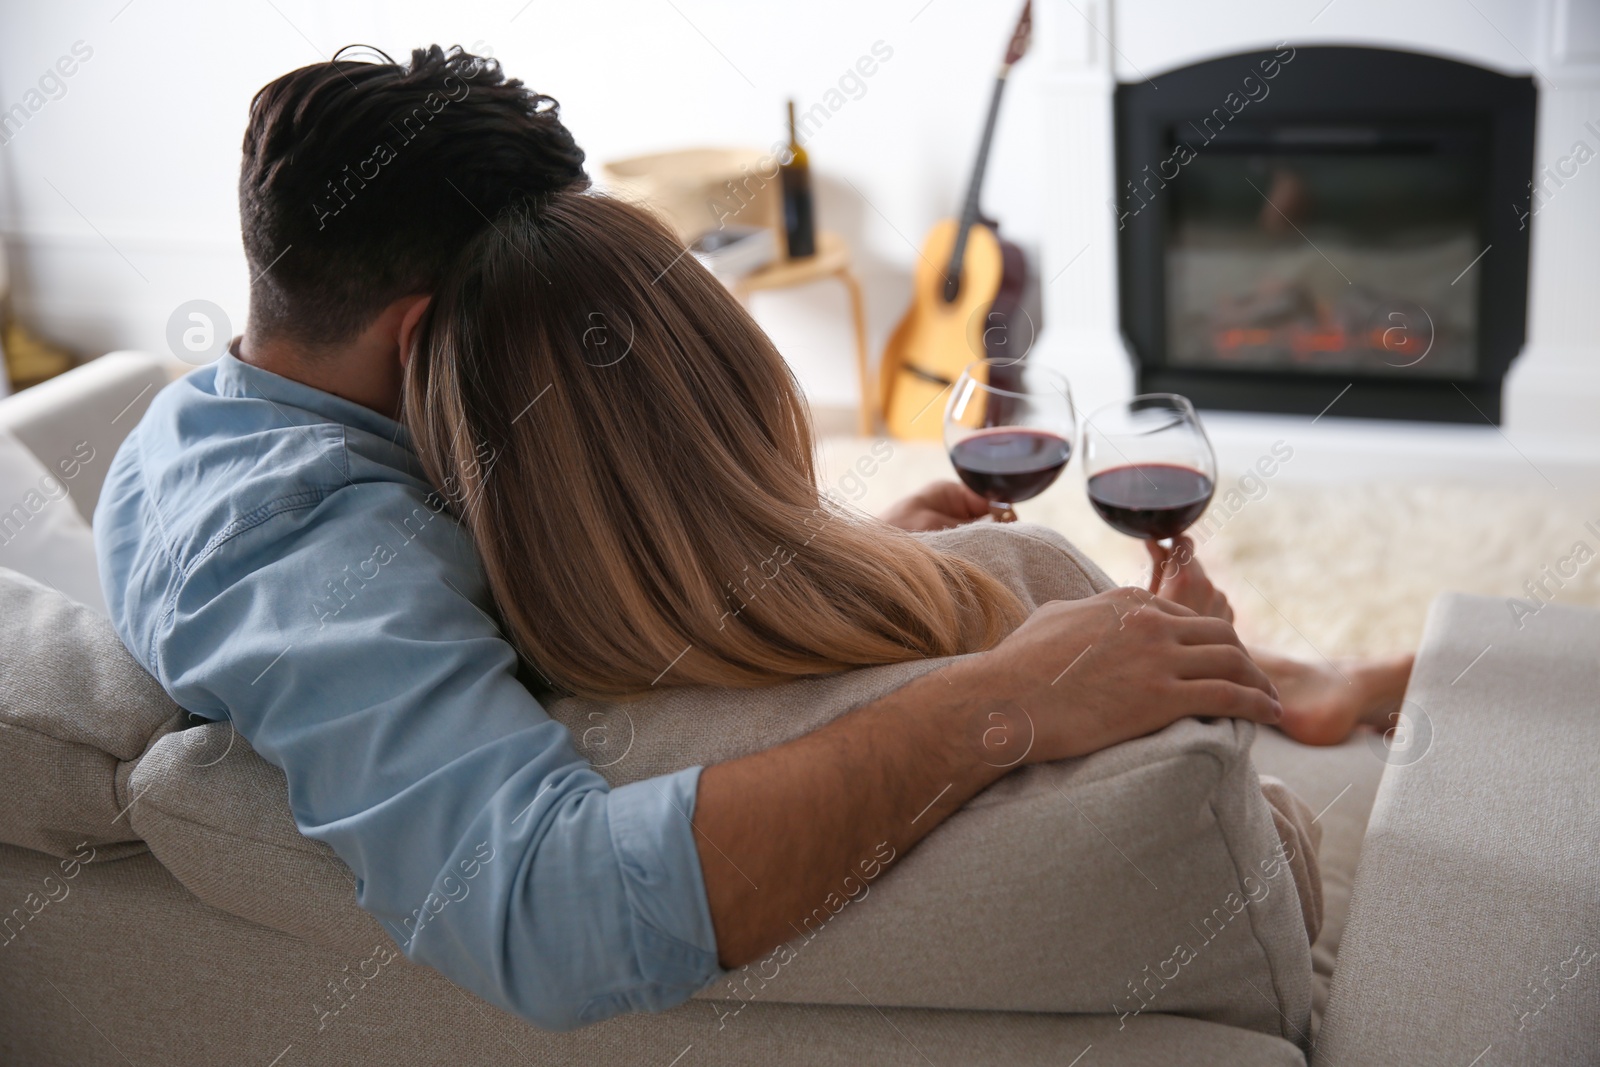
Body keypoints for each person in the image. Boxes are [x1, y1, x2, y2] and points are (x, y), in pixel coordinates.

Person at [94, 45, 1403, 1031]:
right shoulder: (316, 554)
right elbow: (543, 912)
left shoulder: (217, 415)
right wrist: (998, 703)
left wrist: (812, 553)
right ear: (431, 337)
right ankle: (1316, 690)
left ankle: (1321, 684)